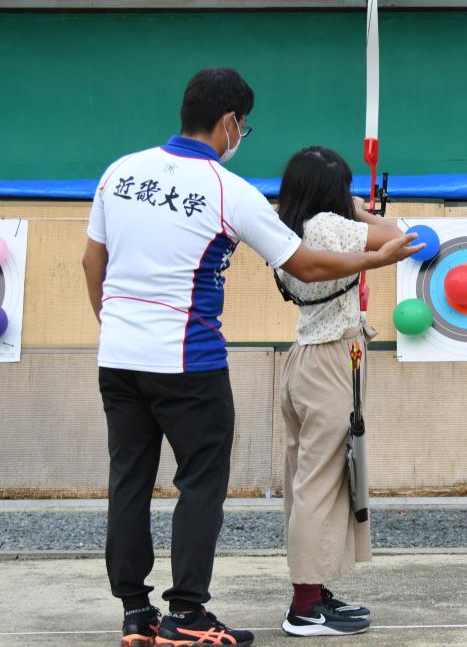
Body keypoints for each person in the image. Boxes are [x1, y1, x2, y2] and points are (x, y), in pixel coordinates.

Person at [81, 68, 421, 647]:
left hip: (118, 357)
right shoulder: (226, 189)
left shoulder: (119, 172)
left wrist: (115, 327)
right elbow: (305, 263)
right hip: (189, 360)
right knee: (200, 485)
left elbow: (93, 264)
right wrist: (376, 261)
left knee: (129, 483)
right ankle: (186, 613)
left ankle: (136, 614)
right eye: (245, 126)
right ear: (230, 122)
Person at [272, 146, 403, 637]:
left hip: (304, 357)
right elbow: (402, 235)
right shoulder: (331, 226)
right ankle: (305, 604)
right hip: (331, 359)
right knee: (321, 483)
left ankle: (314, 590)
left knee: (308, 480)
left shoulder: (286, 226)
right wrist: (358, 209)